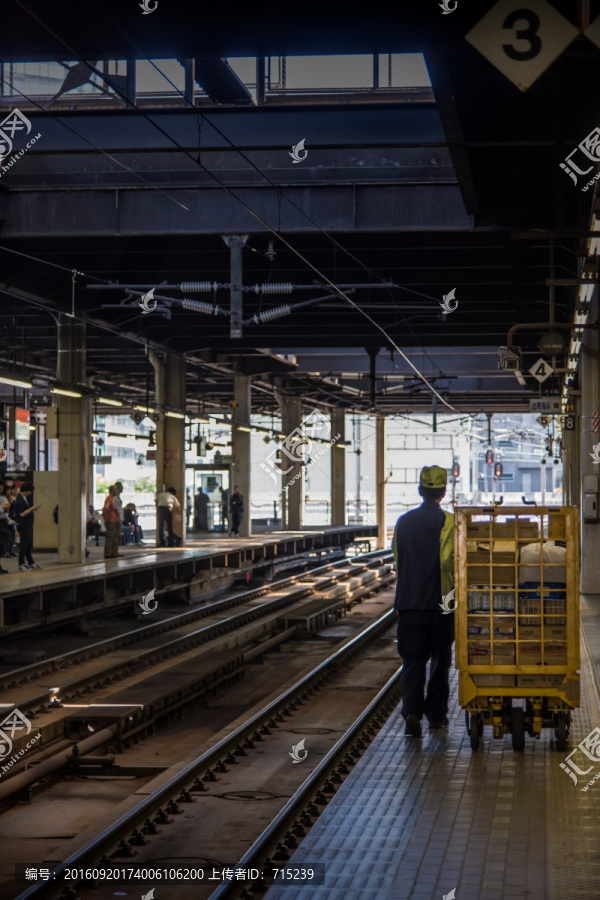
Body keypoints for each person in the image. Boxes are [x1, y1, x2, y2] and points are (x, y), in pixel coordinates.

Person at [392, 465, 454, 737]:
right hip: (442, 604)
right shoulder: (450, 522)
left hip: (409, 603)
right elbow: (448, 561)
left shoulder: (403, 521)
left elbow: (397, 561)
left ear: (420, 491)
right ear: (443, 492)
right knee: (440, 661)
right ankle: (437, 716)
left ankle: (412, 713)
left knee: (412, 661)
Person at [13, 482, 42, 571]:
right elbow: (22, 514)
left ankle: (31, 562)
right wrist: (33, 508)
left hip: (27, 525)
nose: (31, 493)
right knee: (24, 545)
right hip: (23, 525)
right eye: (30, 491)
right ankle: (21, 564)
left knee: (28, 544)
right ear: (27, 491)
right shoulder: (20, 499)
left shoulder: (23, 498)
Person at [102, 485, 121, 559]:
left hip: (113, 519)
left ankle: (111, 552)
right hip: (110, 521)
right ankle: (108, 553)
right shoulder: (109, 499)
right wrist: (109, 515)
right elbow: (106, 508)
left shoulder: (111, 499)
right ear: (112, 491)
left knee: (112, 537)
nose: (117, 491)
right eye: (115, 490)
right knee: (110, 537)